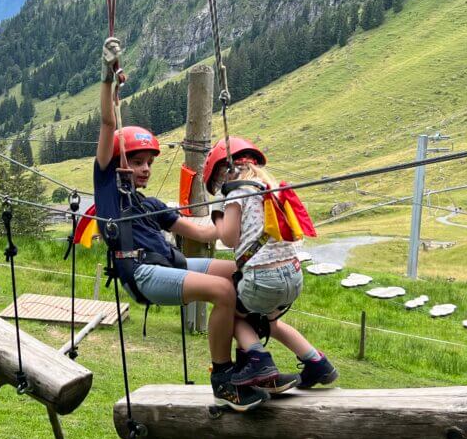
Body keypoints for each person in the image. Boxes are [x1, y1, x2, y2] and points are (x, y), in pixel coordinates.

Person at [95, 37, 280, 411]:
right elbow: (106, 122)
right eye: (139, 161)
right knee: (223, 292)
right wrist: (106, 79)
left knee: (240, 273)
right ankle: (223, 378)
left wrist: (242, 212)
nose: (146, 168)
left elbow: (198, 231)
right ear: (120, 160)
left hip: (171, 264)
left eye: (150, 162)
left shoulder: (149, 203)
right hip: (142, 272)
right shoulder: (108, 191)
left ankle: (251, 359)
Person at [203, 137, 338, 391]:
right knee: (271, 324)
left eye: (218, 184)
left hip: (263, 278)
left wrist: (218, 216)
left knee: (230, 314)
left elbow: (229, 237)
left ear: (224, 174)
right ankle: (317, 362)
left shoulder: (237, 192)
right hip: (293, 275)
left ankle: (257, 360)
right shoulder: (270, 188)